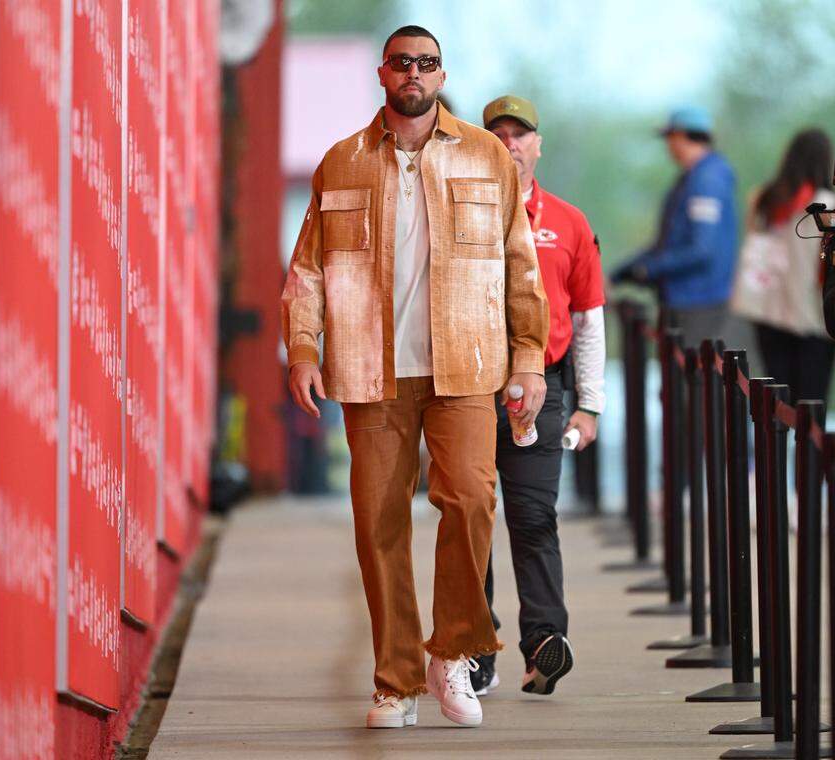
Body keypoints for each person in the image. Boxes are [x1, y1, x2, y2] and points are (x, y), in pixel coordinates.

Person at [281, 25, 549, 729]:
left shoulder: (488, 156)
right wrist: (304, 350)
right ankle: (394, 680)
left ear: (440, 73)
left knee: (470, 500)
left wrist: (529, 359)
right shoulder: (341, 163)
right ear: (383, 73)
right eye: (403, 63)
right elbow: (307, 269)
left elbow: (521, 265)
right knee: (379, 524)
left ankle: (453, 653)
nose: (415, 75)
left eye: (427, 64)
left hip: (465, 366)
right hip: (372, 372)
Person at [471, 95, 607, 697]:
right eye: (495, 133)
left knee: (533, 517)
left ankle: (544, 644)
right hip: (466, 390)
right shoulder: (459, 215)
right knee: (469, 520)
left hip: (541, 391)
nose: (509, 143)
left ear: (538, 144)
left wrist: (591, 403)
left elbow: (589, 321)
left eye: (519, 133)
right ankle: (474, 646)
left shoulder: (570, 223)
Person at [611, 106, 738, 347]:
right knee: (680, 382)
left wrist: (648, 269)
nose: (667, 145)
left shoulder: (706, 181)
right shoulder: (692, 178)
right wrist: (625, 271)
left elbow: (701, 250)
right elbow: (668, 243)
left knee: (693, 382)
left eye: (669, 138)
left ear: (681, 136)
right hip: (686, 300)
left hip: (698, 302)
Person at [730, 128, 835, 402]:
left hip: (768, 312)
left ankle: (776, 446)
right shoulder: (829, 206)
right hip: (813, 316)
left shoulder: (764, 200)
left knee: (777, 403)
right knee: (812, 404)